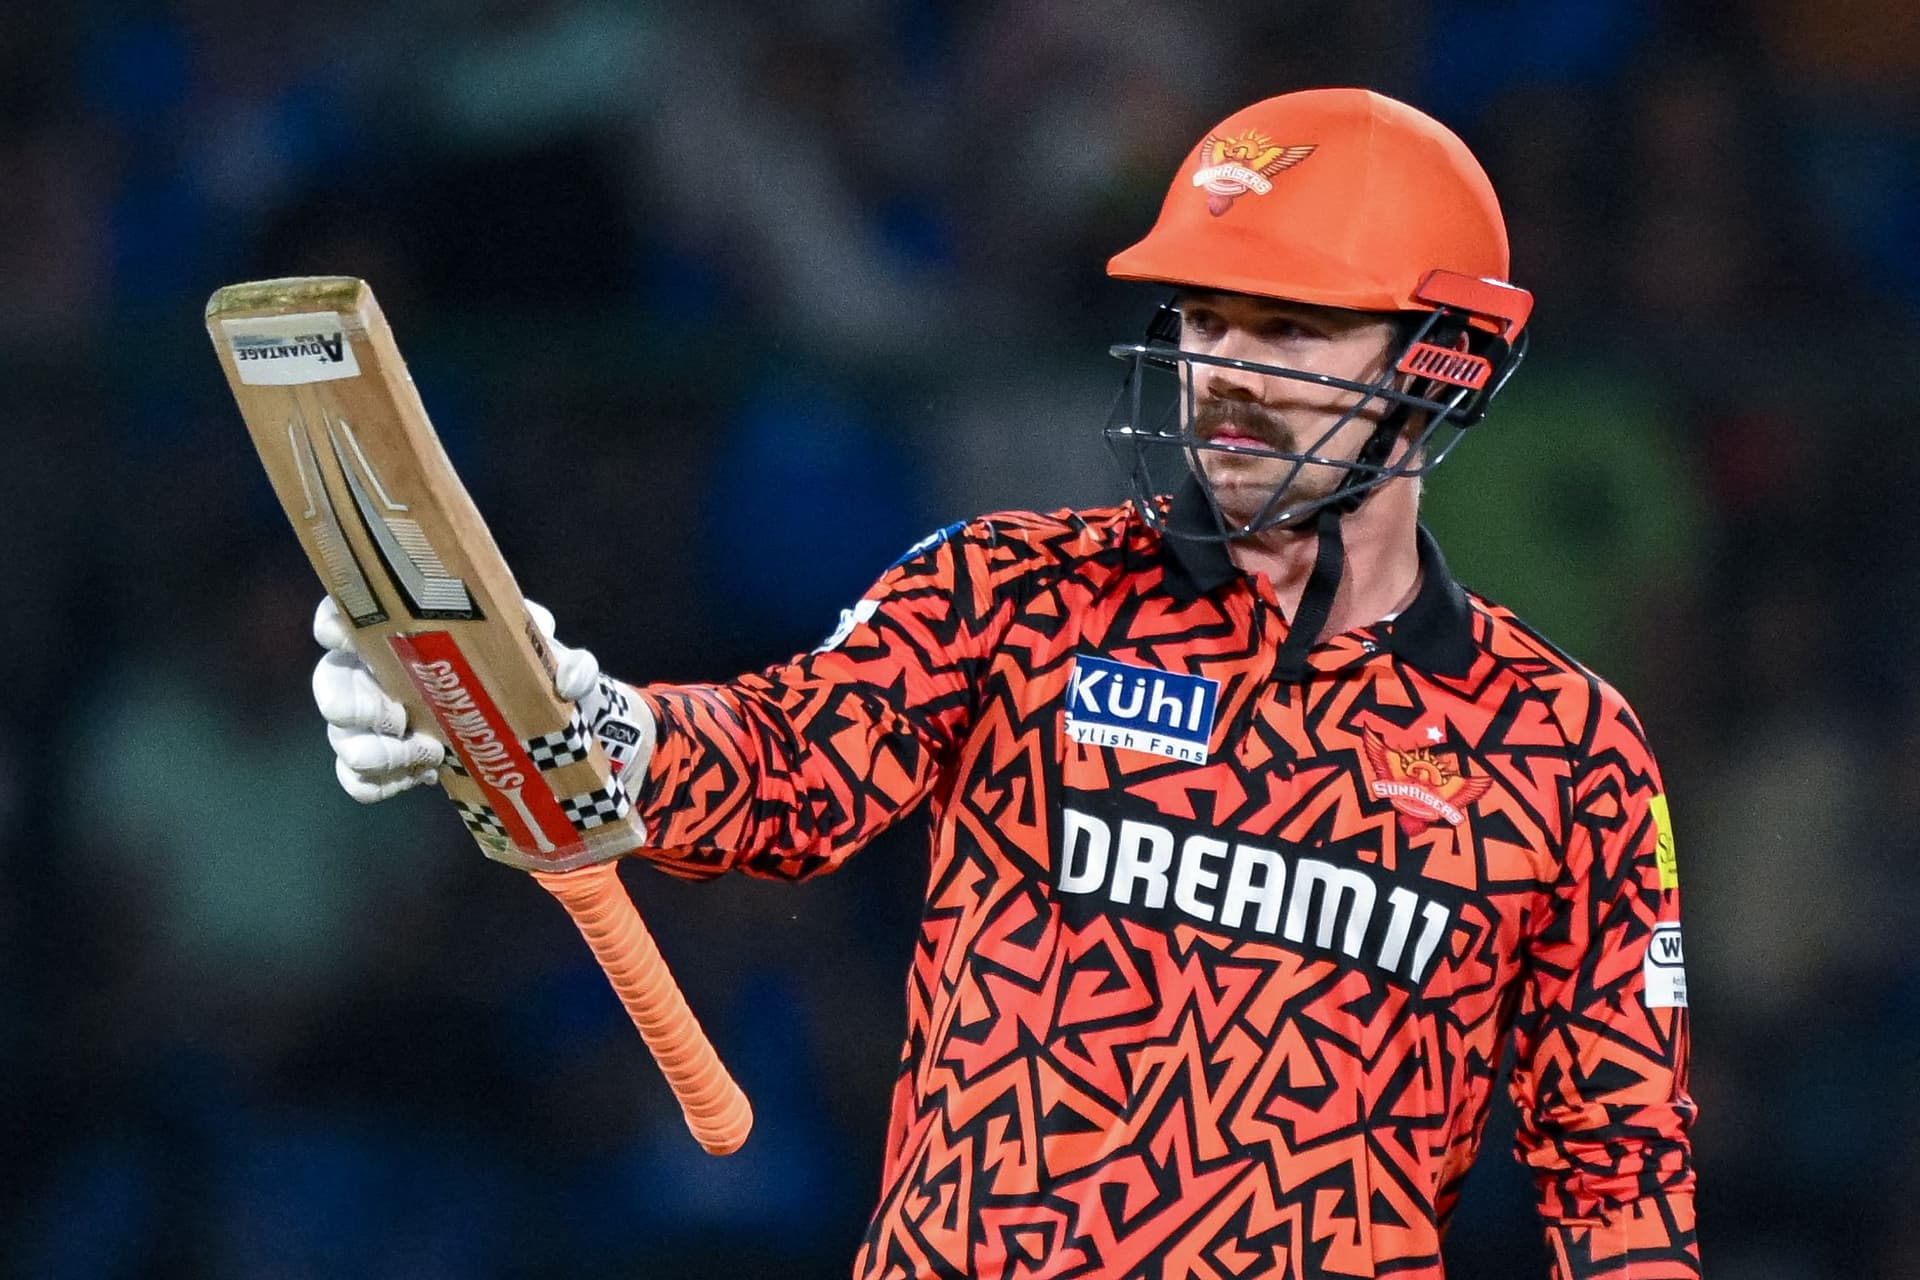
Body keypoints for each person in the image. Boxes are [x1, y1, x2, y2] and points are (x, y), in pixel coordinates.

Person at [313, 88, 1698, 1279]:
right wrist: (568, 718)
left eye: (1290, 331)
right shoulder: (1015, 593)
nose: (1225, 377)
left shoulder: (1567, 749)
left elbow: (1621, 1175)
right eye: (1206, 320)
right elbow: (781, 769)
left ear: (1445, 361)